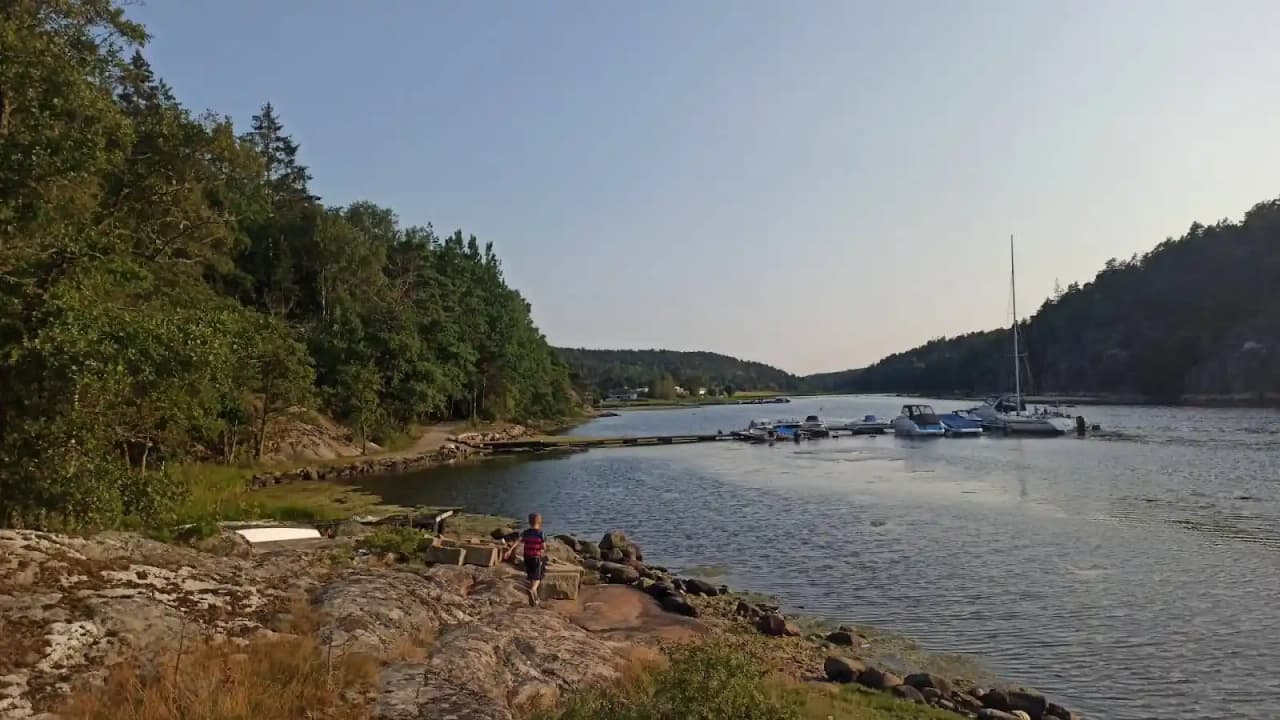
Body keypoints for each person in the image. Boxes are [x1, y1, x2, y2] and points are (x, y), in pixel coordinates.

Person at [503, 512, 546, 606]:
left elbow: (517, 541)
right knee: (537, 578)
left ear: (529, 522)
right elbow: (543, 546)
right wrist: (542, 550)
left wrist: (509, 551)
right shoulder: (540, 533)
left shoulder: (526, 532)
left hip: (527, 557)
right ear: (539, 521)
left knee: (531, 577)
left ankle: (535, 599)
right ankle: (533, 590)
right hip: (536, 557)